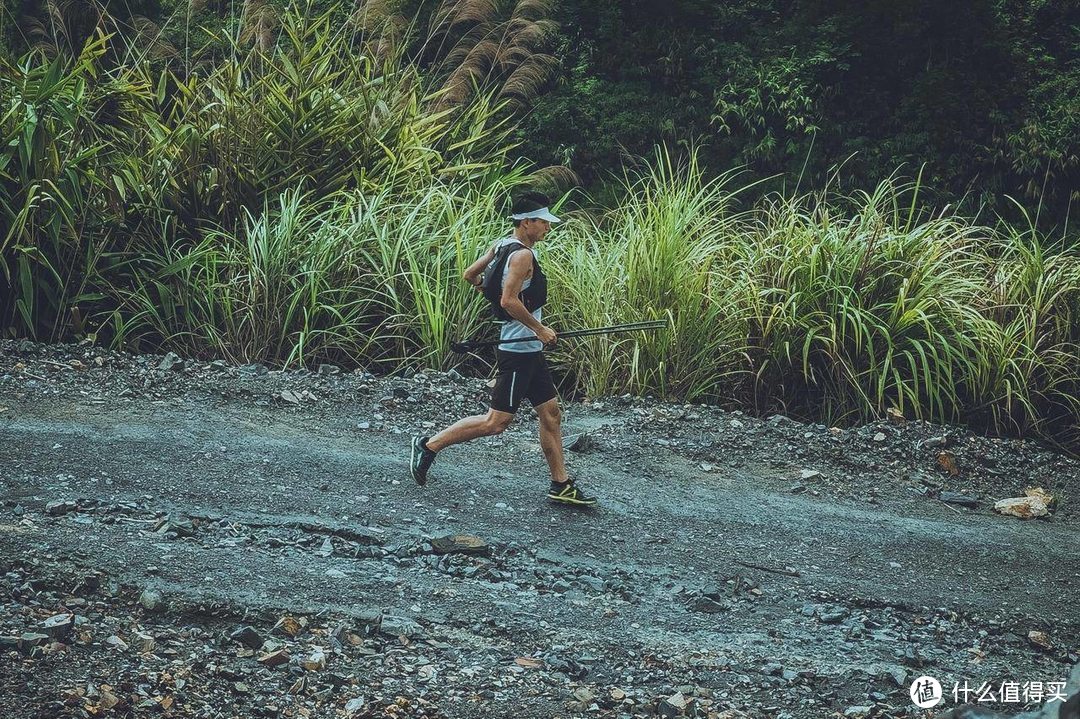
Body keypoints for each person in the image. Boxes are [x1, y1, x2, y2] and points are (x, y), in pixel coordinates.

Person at [408, 191, 597, 506]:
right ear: (526, 223)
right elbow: (509, 300)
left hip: (528, 350)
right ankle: (428, 446)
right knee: (495, 423)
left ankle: (560, 485)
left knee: (550, 414)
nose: (547, 228)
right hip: (518, 350)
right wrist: (539, 329)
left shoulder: (501, 246)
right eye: (543, 222)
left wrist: (491, 294)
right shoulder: (522, 255)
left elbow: (471, 275)